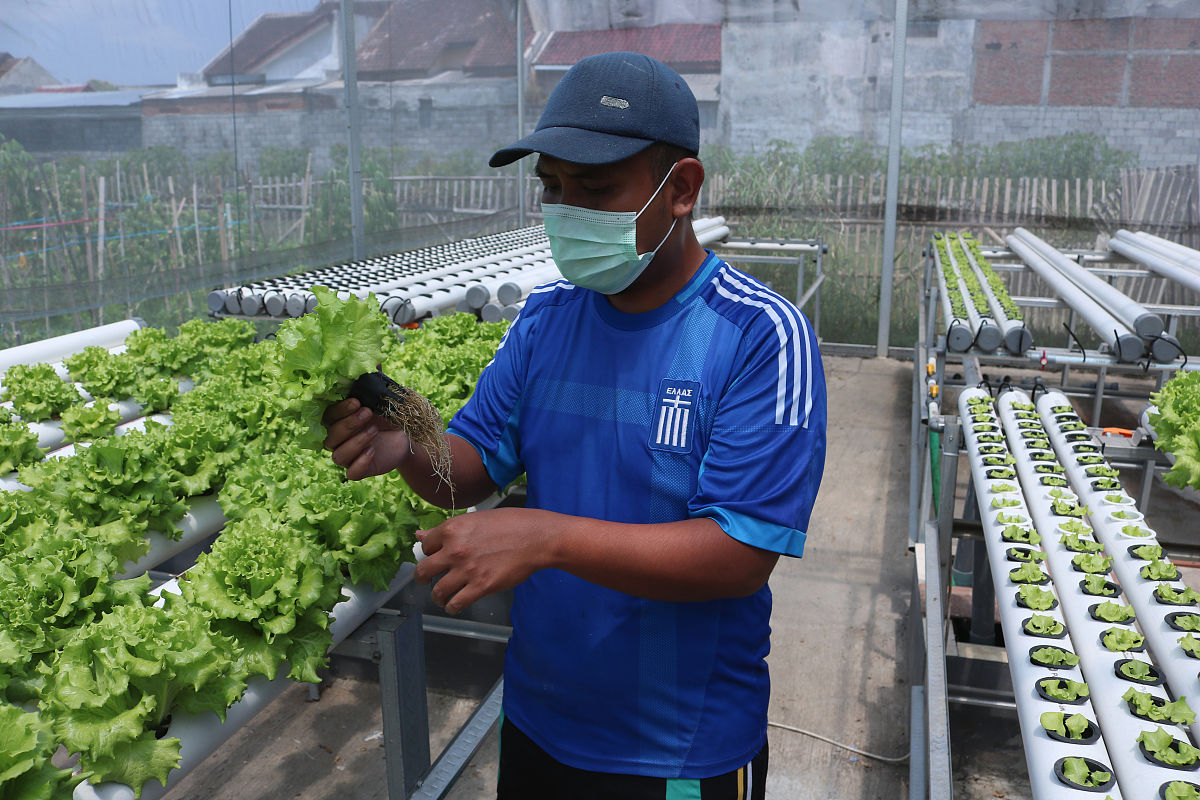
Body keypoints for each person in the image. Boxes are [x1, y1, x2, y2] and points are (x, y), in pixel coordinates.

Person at [323, 51, 826, 800]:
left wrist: (546, 536)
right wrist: (409, 437)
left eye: (594, 188)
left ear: (680, 188)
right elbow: (466, 471)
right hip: (537, 723)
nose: (566, 210)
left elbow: (741, 552)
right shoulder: (547, 320)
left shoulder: (757, 336)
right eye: (553, 188)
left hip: (674, 750)